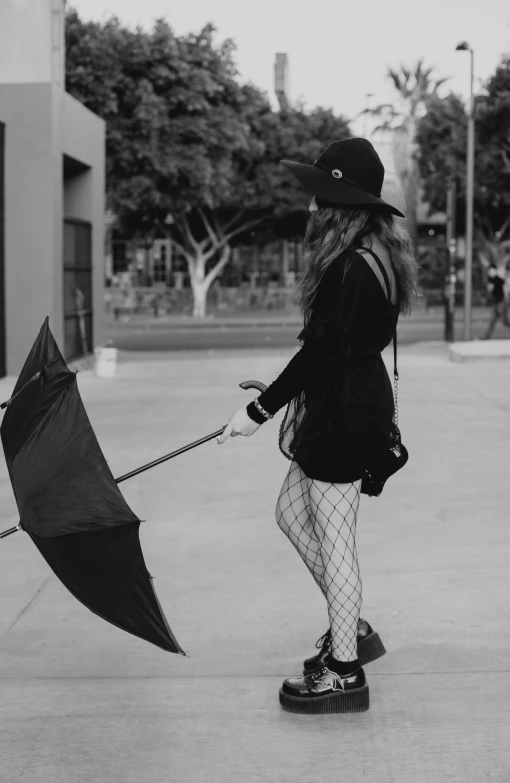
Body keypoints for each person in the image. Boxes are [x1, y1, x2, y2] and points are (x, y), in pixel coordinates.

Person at [217, 138, 419, 714]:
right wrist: (280, 394)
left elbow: (321, 354)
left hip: (344, 411)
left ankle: (345, 670)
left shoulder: (350, 268)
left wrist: (261, 411)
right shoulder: (374, 252)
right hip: (347, 399)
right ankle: (349, 625)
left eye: (319, 196)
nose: (310, 207)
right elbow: (332, 349)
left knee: (335, 539)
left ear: (341, 204)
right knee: (290, 514)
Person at [480, 255, 510, 340]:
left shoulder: (499, 278)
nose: (490, 272)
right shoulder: (492, 278)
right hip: (497, 301)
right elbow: (486, 264)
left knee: (503, 321)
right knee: (497, 321)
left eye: (491, 270)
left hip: (502, 302)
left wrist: (506, 297)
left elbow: (505, 287)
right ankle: (487, 337)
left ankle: (487, 337)